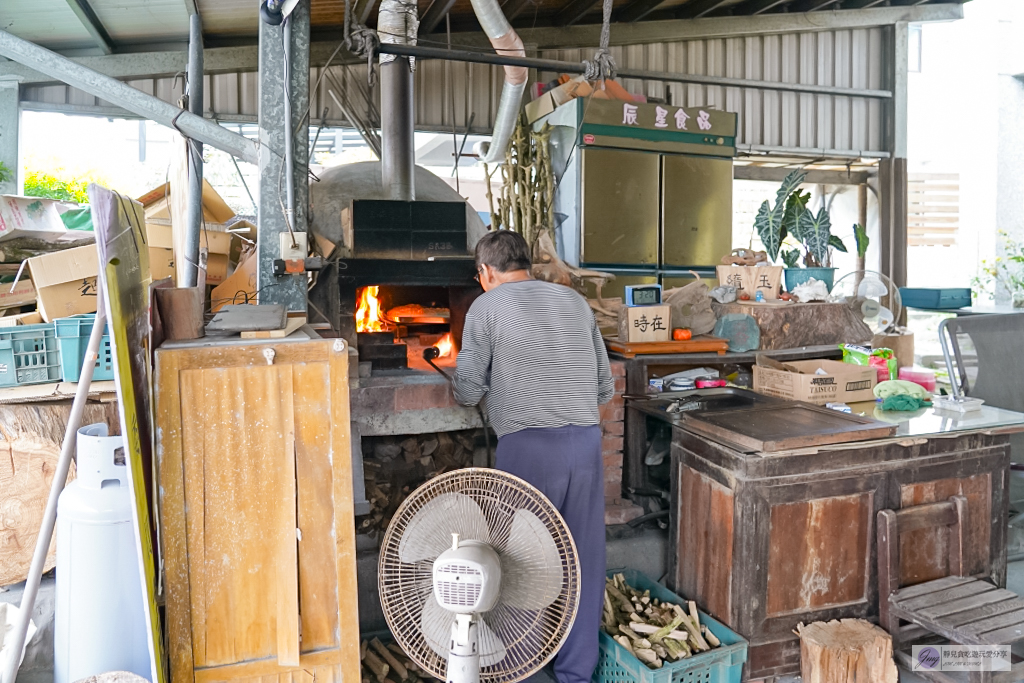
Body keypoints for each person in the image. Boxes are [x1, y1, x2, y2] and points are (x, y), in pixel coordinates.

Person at [452, 229, 613, 683]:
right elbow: (605, 386)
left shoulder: (485, 306)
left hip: (528, 448)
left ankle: (517, 665)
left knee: (518, 561)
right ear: (528, 263)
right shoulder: (576, 302)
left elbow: (467, 389)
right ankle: (576, 673)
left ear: (485, 272)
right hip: (584, 444)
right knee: (582, 560)